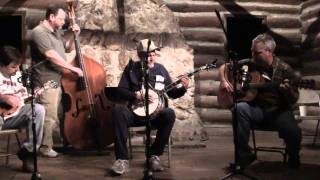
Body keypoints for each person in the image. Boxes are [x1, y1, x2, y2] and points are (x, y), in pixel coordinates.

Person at [219, 33, 302, 169]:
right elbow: (225, 67)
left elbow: (294, 99)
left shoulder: (285, 69)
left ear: (269, 51)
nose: (252, 55)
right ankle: (244, 156)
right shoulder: (251, 63)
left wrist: (287, 91)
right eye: (252, 51)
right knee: (239, 108)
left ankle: (293, 156)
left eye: (256, 52)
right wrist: (224, 81)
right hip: (257, 110)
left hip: (279, 110)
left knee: (293, 131)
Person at [110, 39, 190, 175]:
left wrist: (183, 88)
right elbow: (121, 91)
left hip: (154, 115)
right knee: (118, 110)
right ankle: (122, 160)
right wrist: (137, 96)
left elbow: (171, 93)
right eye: (148, 54)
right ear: (140, 55)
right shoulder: (131, 69)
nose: (151, 56)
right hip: (134, 114)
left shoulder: (161, 69)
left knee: (169, 113)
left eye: (153, 53)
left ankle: (154, 155)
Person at [29, 4, 83, 158]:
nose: (63, 22)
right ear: (51, 17)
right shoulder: (39, 32)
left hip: (58, 79)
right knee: (49, 115)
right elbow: (52, 55)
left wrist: (74, 36)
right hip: (46, 81)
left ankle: (54, 143)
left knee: (56, 114)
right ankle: (45, 147)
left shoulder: (55, 32)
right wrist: (72, 69)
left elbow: (64, 49)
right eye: (61, 19)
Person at [0, 46, 45, 172]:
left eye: (18, 66)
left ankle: (28, 152)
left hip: (14, 115)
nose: (17, 70)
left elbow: (21, 97)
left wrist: (31, 95)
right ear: (2, 65)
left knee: (38, 110)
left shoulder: (17, 75)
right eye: (13, 67)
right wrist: (4, 98)